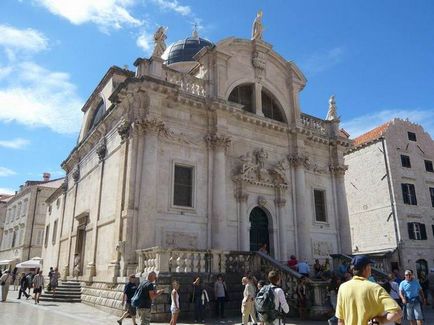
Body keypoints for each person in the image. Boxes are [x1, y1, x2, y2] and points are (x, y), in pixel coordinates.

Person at [335, 255, 402, 325]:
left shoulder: (343, 287)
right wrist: (381, 321)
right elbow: (398, 312)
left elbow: (340, 320)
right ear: (366, 268)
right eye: (370, 266)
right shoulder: (375, 288)